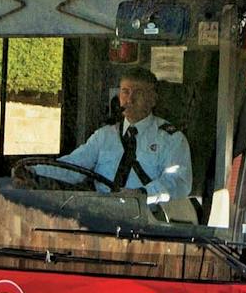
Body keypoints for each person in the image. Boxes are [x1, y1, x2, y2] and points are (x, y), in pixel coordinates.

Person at [55, 71, 192, 200]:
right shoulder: (104, 136)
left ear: (153, 99)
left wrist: (142, 194)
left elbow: (178, 182)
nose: (130, 100)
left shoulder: (171, 139)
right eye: (125, 92)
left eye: (138, 93)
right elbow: (72, 166)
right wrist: (35, 171)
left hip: (148, 216)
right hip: (102, 213)